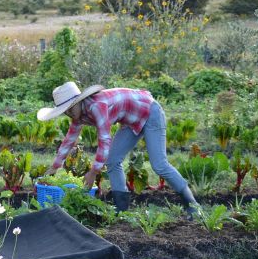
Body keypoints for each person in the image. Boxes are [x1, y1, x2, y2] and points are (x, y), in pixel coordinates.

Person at [38, 81, 201, 217]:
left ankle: (193, 205)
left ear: (79, 101)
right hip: (131, 120)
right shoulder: (78, 115)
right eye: (65, 111)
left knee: (159, 164)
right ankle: (121, 209)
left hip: (150, 112)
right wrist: (54, 167)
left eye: (70, 108)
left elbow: (104, 140)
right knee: (113, 161)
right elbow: (69, 140)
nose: (69, 113)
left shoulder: (97, 106)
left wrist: (94, 171)